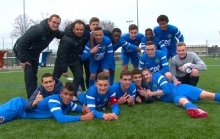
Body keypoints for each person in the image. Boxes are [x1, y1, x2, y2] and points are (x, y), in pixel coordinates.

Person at [16, 14, 64, 99]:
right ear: (49, 21)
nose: (56, 25)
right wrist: (23, 59)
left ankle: (35, 95)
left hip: (34, 53)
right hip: (25, 52)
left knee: (34, 75)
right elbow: (21, 43)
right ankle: (32, 100)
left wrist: (74, 29)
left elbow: (62, 34)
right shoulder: (38, 29)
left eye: (58, 23)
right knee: (30, 76)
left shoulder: (54, 31)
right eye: (54, 22)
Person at [0, 82, 94, 124]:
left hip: (20, 113)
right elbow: (60, 119)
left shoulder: (69, 103)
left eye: (70, 95)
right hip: (18, 107)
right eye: (65, 94)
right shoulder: (54, 101)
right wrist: (83, 117)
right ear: (61, 94)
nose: (68, 97)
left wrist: (84, 109)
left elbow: (78, 108)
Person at [141, 68, 220, 118]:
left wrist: (151, 94)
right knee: (182, 102)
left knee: (208, 95)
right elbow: (151, 98)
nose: (145, 77)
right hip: (173, 98)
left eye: (147, 74)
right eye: (143, 76)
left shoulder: (158, 77)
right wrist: (147, 96)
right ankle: (196, 111)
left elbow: (166, 91)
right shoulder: (146, 85)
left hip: (180, 88)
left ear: (151, 74)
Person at [53, 20, 85, 95]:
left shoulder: (81, 35)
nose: (79, 31)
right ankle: (49, 93)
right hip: (62, 60)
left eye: (81, 29)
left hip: (74, 59)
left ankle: (72, 93)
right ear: (73, 29)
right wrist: (64, 69)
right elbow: (61, 55)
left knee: (79, 75)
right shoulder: (66, 39)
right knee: (55, 78)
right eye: (77, 29)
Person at [81, 17, 100, 90]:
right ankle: (87, 90)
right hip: (84, 55)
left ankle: (97, 89)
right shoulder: (85, 33)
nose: (95, 26)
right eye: (93, 25)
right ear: (90, 25)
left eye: (97, 24)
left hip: (93, 57)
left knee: (96, 74)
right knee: (87, 74)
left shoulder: (99, 33)